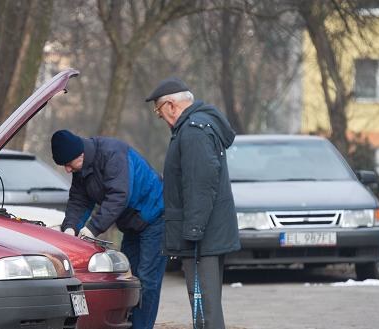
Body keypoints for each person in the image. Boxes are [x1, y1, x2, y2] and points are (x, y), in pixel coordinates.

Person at [145, 77, 240, 329]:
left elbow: (201, 183)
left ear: (171, 106)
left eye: (159, 112)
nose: (162, 119)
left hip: (201, 238)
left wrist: (193, 231)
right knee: (207, 306)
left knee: (204, 309)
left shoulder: (193, 131)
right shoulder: (197, 126)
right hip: (206, 234)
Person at [50, 129, 166, 329]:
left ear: (81, 155)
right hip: (131, 224)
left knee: (147, 279)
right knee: (129, 279)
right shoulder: (81, 169)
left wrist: (92, 229)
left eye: (68, 164)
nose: (67, 170)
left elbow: (119, 196)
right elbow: (78, 201)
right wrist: (70, 228)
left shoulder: (113, 154)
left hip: (155, 218)